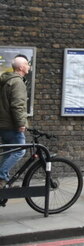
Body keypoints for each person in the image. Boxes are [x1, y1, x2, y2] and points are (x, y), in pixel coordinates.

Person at [0, 55, 30, 188]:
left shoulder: (6, 80)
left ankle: (1, 180)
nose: (29, 66)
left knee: (9, 150)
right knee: (20, 150)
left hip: (3, 124)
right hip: (12, 125)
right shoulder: (17, 82)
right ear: (21, 67)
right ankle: (1, 176)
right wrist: (21, 124)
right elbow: (17, 105)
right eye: (27, 64)